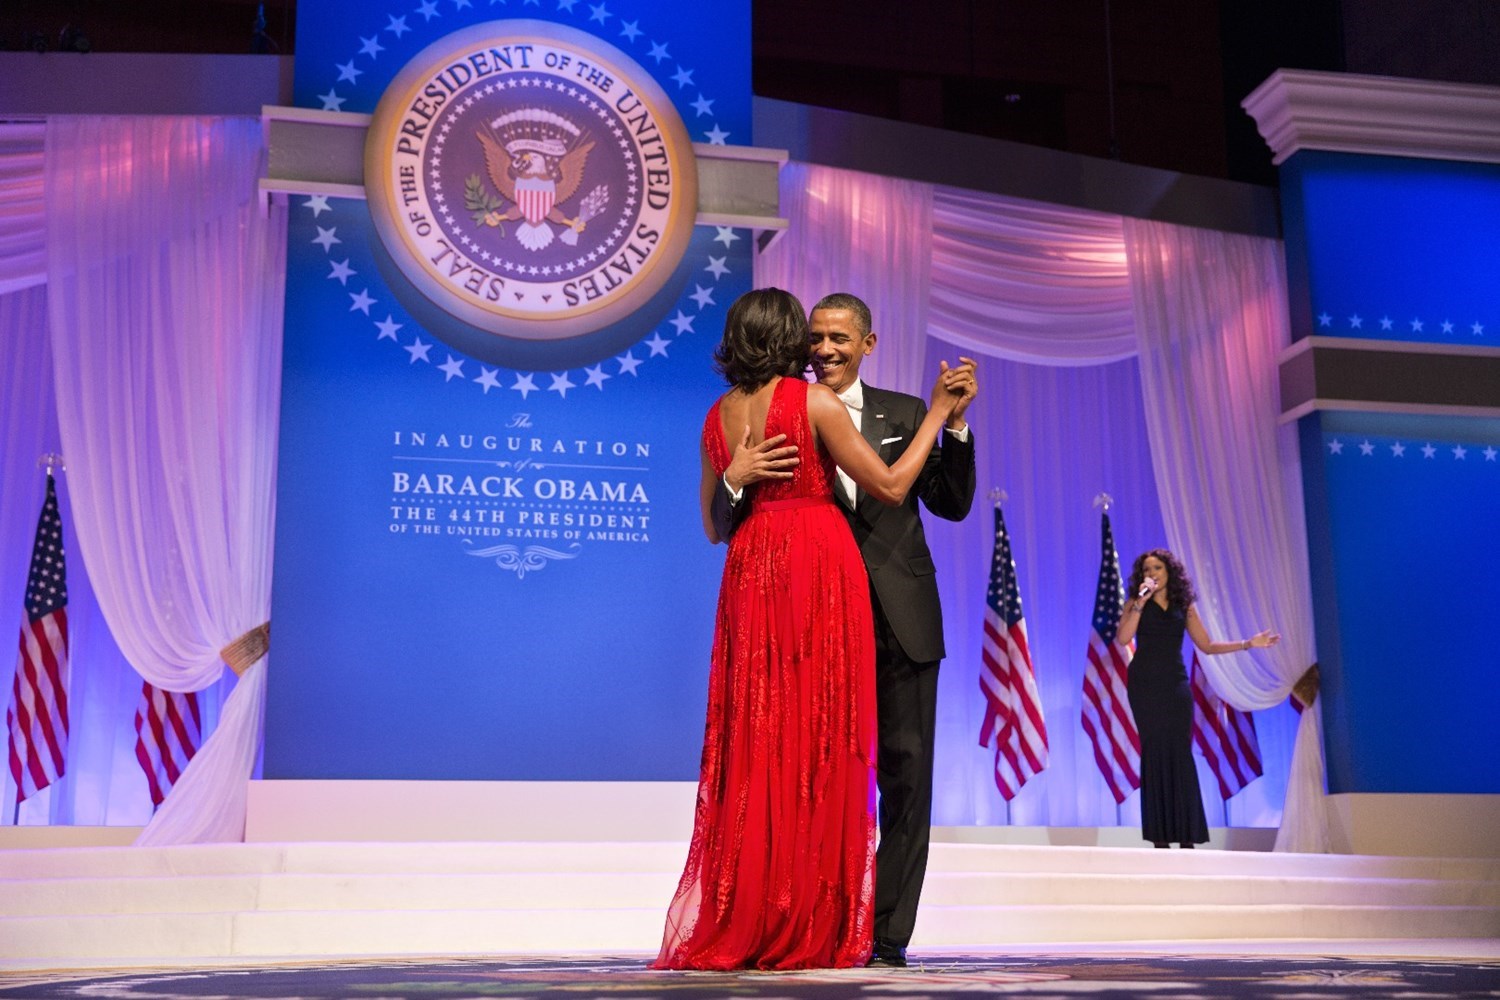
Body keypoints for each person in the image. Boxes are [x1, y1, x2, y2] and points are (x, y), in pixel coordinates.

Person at [653, 288, 969, 971]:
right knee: (823, 756)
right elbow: (888, 486)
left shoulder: (716, 416)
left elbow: (713, 527)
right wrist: (941, 412)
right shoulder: (811, 403)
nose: (816, 349)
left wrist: (734, 478)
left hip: (754, 582)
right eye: (807, 336)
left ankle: (771, 918)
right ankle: (812, 923)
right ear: (790, 339)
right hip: (817, 582)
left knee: (765, 752)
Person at [1116, 549, 1280, 849]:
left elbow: (1206, 645)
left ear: (1169, 572)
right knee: (1154, 751)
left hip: (1175, 684)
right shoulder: (1134, 604)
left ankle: (1187, 835)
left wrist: (1248, 644)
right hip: (1145, 686)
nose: (1152, 573)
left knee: (1179, 751)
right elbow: (1124, 638)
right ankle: (1161, 838)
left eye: (1158, 568)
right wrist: (1139, 602)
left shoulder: (1184, 606)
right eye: (1146, 569)